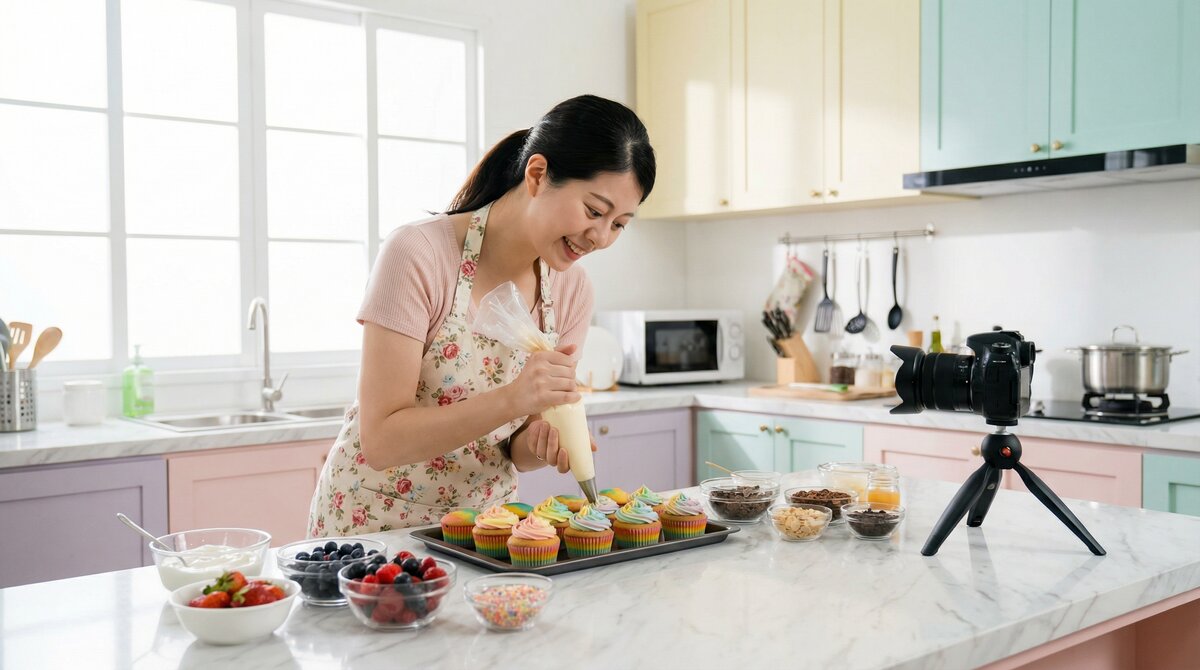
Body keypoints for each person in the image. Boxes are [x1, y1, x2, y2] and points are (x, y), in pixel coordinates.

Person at [307, 94, 656, 536]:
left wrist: (542, 442)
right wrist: (514, 398)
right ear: (537, 173)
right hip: (377, 531)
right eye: (594, 211)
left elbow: (517, 450)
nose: (600, 237)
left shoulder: (571, 290)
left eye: (619, 224)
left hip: (485, 534)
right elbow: (381, 440)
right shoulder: (419, 255)